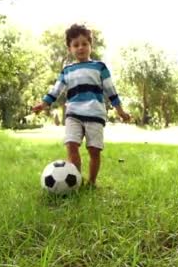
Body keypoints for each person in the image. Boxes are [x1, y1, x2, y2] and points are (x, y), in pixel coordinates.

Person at [32, 24, 131, 186]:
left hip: (95, 115)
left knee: (94, 151)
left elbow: (111, 91)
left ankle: (91, 182)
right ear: (69, 49)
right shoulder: (67, 70)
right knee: (71, 146)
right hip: (74, 115)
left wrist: (121, 111)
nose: (80, 48)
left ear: (91, 45)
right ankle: (75, 181)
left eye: (84, 44)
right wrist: (43, 104)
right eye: (76, 45)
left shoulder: (99, 67)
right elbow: (56, 90)